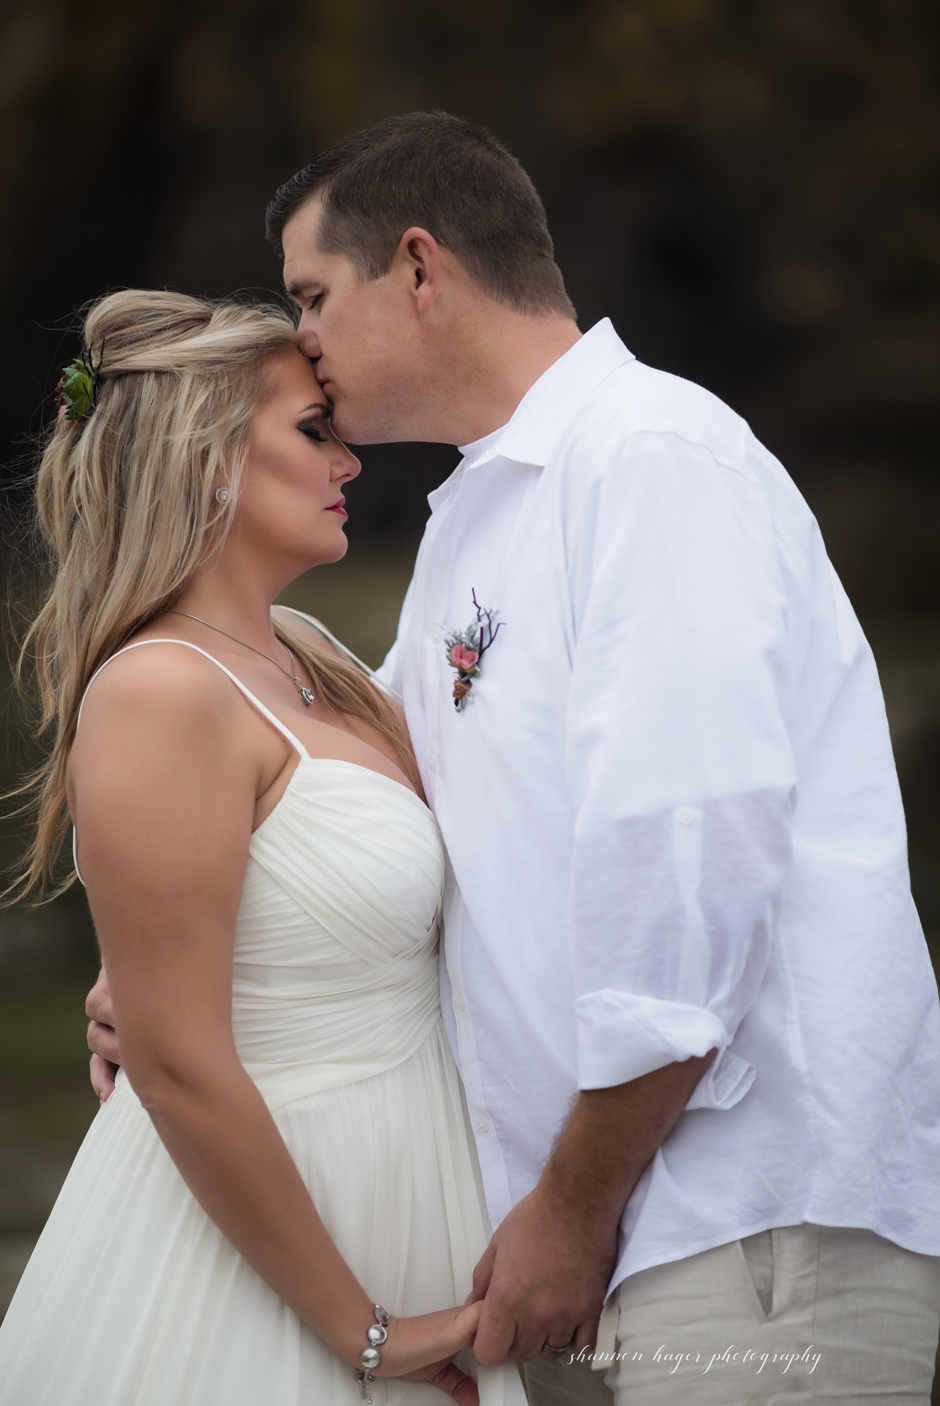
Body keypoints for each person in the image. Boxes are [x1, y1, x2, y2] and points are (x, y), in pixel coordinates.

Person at [86, 113, 940, 1403]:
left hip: (752, 1221)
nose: (301, 336)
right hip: (591, 1240)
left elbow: (686, 873)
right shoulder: (481, 518)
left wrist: (570, 1206)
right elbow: (343, 788)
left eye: (313, 294)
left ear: (421, 270)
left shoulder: (648, 461)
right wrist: (159, 960)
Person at [0, 288, 529, 1406]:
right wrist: (367, 1331)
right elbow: (180, 1060)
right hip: (274, 1240)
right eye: (311, 431)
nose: (347, 461)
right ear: (206, 462)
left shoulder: (314, 657)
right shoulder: (157, 690)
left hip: (406, 1179)